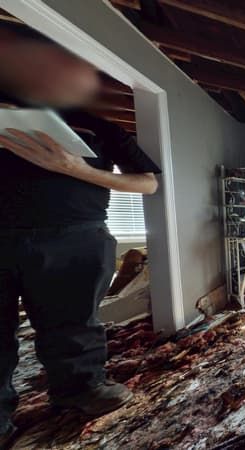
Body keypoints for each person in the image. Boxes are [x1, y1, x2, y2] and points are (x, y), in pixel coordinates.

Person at [0, 28, 161, 445]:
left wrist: (73, 167)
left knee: (74, 323)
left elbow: (148, 183)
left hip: (75, 236)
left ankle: (79, 389)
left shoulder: (95, 127)